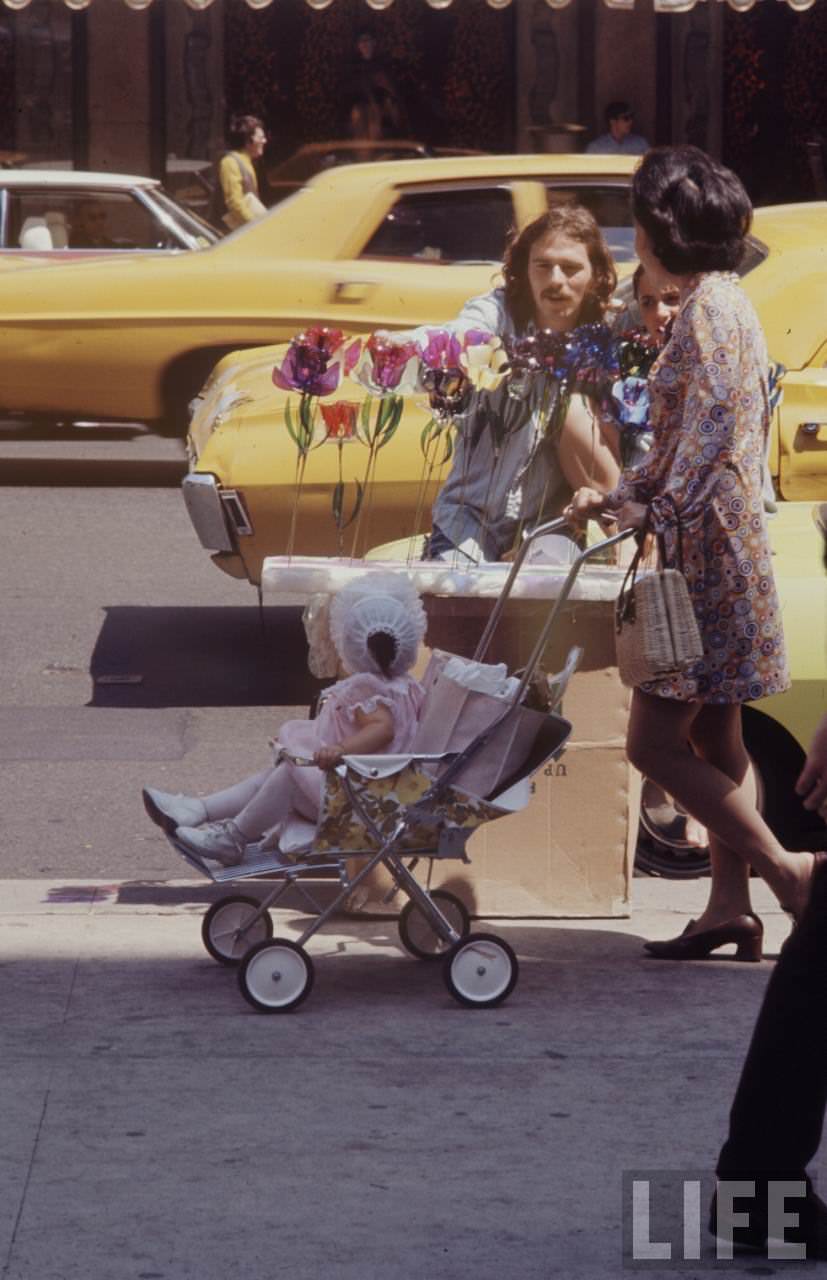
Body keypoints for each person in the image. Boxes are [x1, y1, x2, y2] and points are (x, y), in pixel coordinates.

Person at [567, 145, 816, 959]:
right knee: (717, 741)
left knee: (651, 746)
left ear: (656, 231)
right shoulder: (721, 302)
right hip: (716, 547)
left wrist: (643, 503)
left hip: (705, 559)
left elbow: (704, 452)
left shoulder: (708, 314)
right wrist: (624, 490)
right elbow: (688, 444)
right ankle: (725, 908)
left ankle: (788, 872)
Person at [142, 573, 426, 867]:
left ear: (352, 645)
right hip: (376, 793)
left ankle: (232, 837)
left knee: (289, 779)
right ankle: (197, 810)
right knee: (276, 776)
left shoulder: (367, 688)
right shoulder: (405, 687)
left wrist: (340, 749)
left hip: (358, 802)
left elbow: (383, 729)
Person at [423, 205, 622, 566]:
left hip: (550, 524)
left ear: (595, 276)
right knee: (452, 596)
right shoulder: (499, 312)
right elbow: (464, 332)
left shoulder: (606, 338)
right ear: (524, 271)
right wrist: (442, 351)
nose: (556, 279)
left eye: (571, 268)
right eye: (542, 266)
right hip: (467, 517)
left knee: (542, 597)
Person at [217, 114, 267, 230]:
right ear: (248, 140)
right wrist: (257, 226)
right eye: (260, 138)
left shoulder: (247, 161)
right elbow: (235, 203)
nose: (264, 141)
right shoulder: (230, 162)